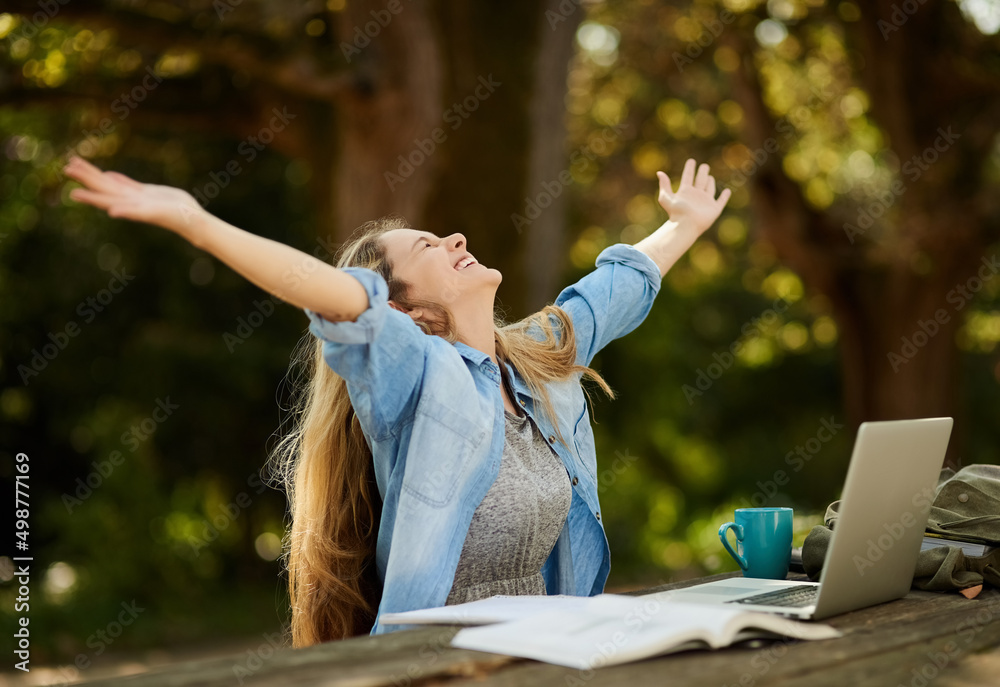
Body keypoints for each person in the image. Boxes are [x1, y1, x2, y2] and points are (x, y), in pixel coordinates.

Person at [63, 154, 731, 645]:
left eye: (445, 236)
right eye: (431, 247)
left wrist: (686, 225)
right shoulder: (417, 375)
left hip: (542, 656)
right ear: (407, 314)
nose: (457, 239)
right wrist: (196, 221)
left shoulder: (537, 358)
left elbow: (614, 288)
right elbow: (327, 291)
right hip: (433, 664)